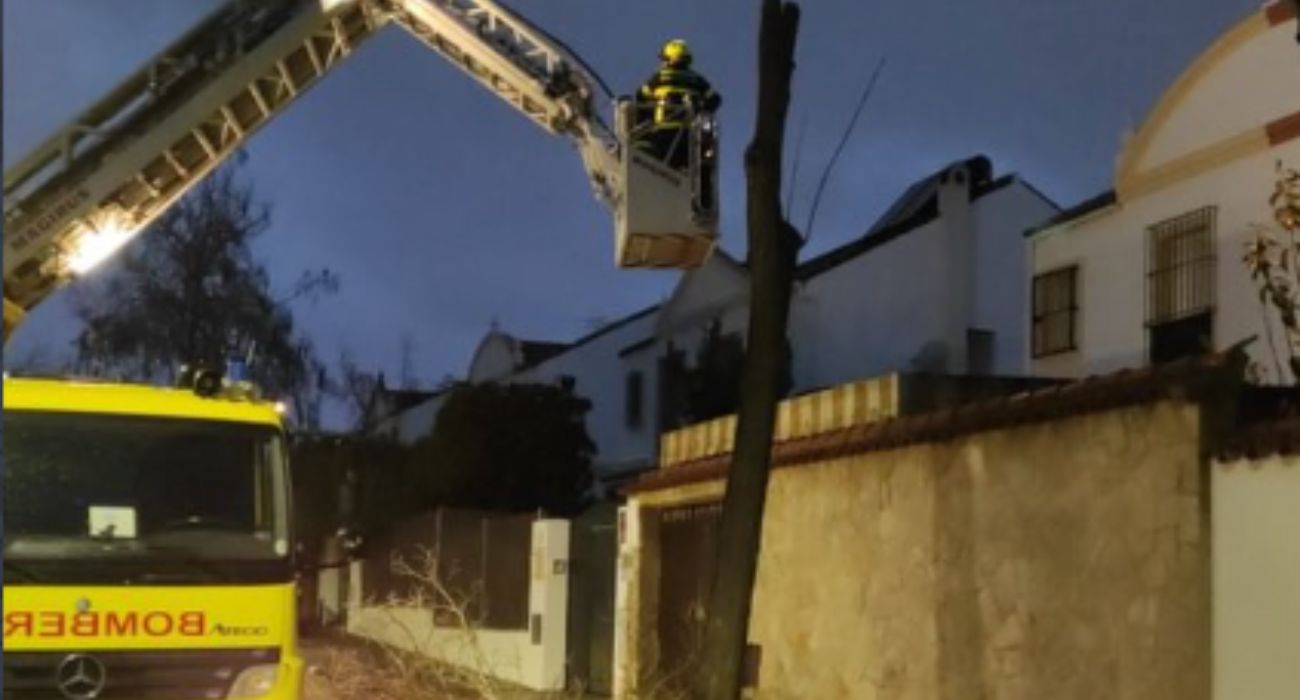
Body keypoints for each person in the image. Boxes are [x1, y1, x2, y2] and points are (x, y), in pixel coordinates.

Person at [633, 39, 721, 169]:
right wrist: (701, 108)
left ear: (670, 58)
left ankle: (641, 142)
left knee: (662, 169)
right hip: (691, 136)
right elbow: (715, 99)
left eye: (664, 59)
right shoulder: (697, 79)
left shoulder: (660, 77)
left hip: (664, 133)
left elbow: (641, 94)